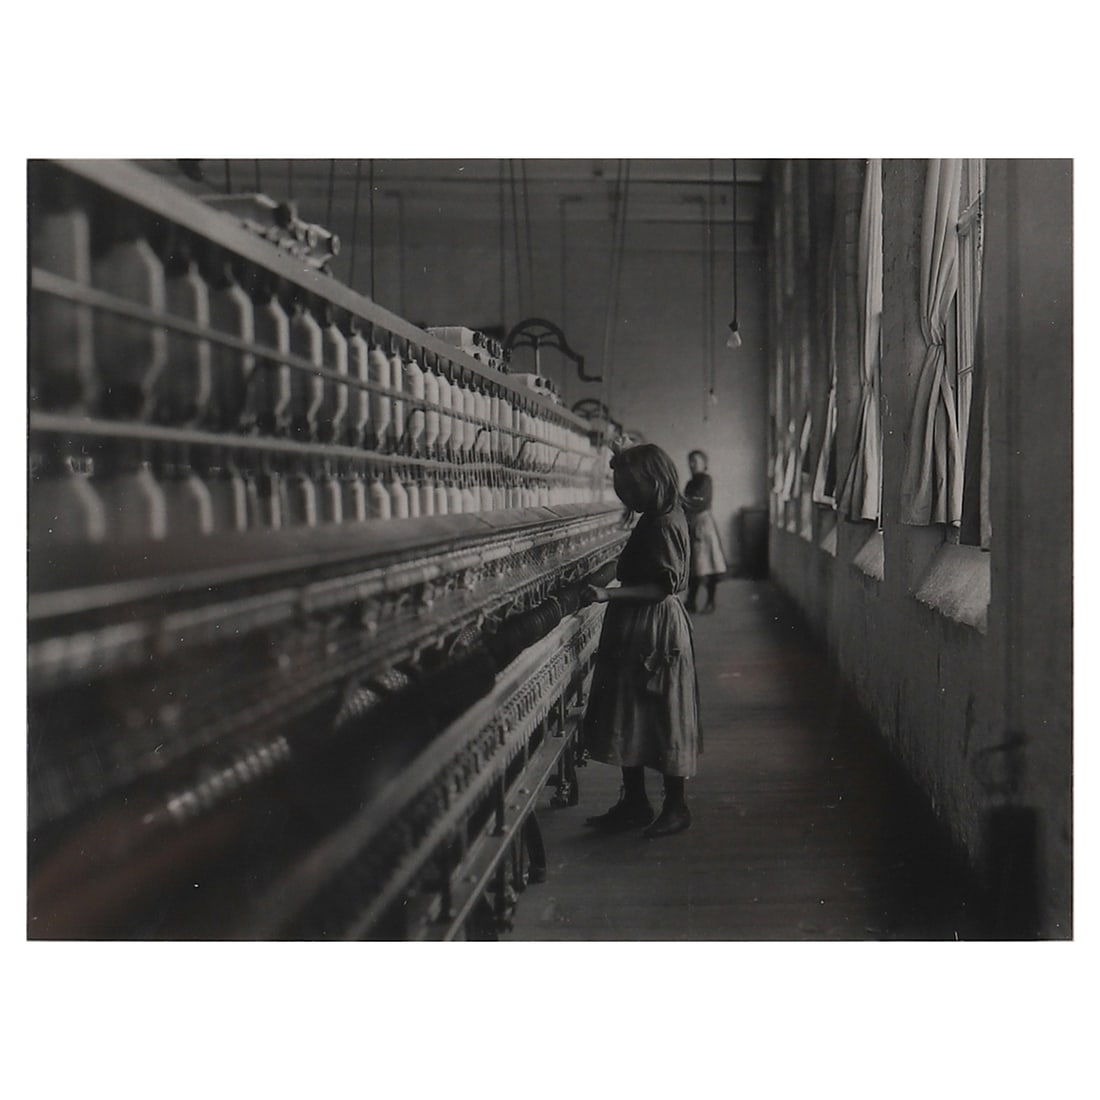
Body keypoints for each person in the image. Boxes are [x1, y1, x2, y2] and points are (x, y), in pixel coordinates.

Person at [580, 443, 700, 838]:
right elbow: (637, 564)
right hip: (637, 625)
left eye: (630, 489)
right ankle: (634, 802)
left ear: (655, 480)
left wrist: (607, 594)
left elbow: (662, 587)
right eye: (620, 490)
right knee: (630, 711)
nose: (625, 497)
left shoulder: (663, 523)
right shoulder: (655, 516)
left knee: (661, 713)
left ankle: (676, 807)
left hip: (654, 627)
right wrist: (604, 574)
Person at [683, 449, 727, 614]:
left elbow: (698, 501)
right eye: (690, 461)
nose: (692, 464)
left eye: (696, 461)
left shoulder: (706, 480)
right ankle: (691, 601)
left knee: (710, 564)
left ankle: (710, 601)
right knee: (695, 565)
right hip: (692, 523)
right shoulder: (690, 483)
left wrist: (683, 501)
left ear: (704, 463)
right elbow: (687, 504)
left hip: (704, 524)